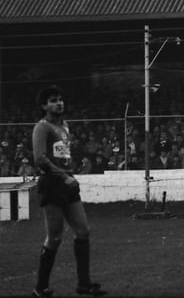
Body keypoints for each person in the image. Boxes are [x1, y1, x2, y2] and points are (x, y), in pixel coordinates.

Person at [31, 85, 105, 297]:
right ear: (44, 105)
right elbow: (40, 159)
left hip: (68, 182)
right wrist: (63, 176)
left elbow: (62, 155)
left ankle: (84, 284)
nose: (59, 103)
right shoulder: (41, 127)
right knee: (54, 238)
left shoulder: (65, 127)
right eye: (53, 100)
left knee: (83, 231)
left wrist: (70, 173)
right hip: (52, 184)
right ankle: (40, 287)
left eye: (61, 99)